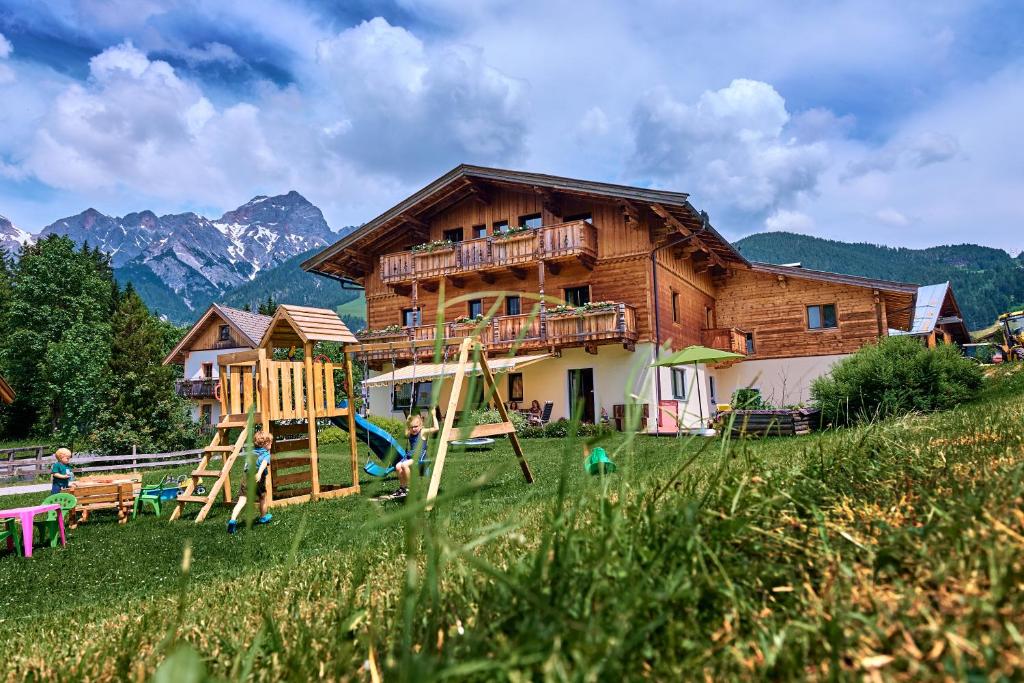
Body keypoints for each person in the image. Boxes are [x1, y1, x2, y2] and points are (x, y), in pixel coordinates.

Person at [227, 430, 273, 533]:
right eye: (270, 442)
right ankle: (263, 517)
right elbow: (264, 463)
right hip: (257, 479)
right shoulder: (266, 454)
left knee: (241, 501)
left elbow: (246, 466)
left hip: (246, 478)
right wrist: (260, 473)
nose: (271, 444)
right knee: (262, 497)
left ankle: (232, 520)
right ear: (265, 444)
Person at [393, 414, 428, 499]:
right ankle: (403, 488)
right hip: (410, 455)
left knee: (404, 465)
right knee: (397, 466)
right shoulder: (410, 433)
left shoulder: (422, 433)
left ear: (421, 426)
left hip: (419, 456)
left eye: (416, 426)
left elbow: (436, 429)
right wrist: (408, 420)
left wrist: (434, 416)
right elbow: (406, 430)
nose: (413, 429)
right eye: (411, 427)